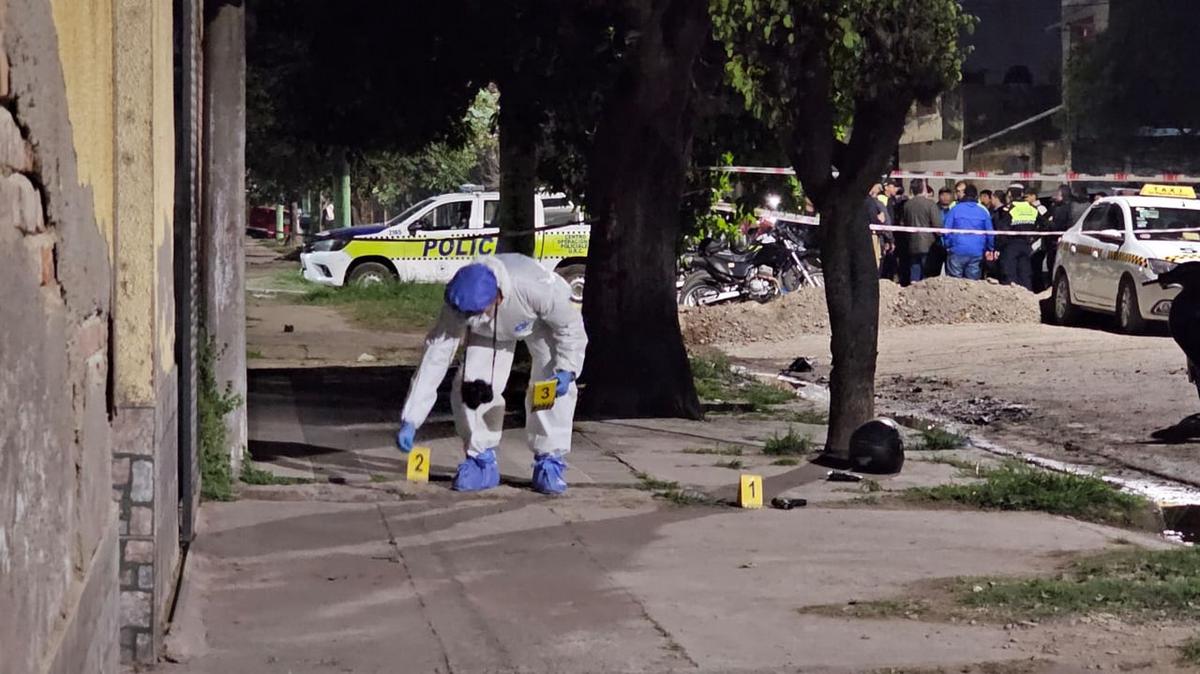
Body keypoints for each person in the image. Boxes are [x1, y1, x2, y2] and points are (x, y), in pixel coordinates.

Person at [395, 254, 587, 494]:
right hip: (489, 335)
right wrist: (411, 419)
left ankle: (550, 460)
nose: (471, 319)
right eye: (467, 315)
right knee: (470, 386)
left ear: (498, 296)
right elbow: (435, 356)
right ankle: (481, 459)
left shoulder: (536, 288)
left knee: (549, 385)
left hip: (539, 322)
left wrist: (567, 369)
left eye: (478, 312)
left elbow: (570, 328)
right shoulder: (460, 305)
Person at [994, 183, 1044, 291]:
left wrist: (998, 248)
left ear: (1010, 194)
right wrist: (1033, 239)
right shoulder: (1033, 208)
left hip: (1010, 246)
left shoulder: (1008, 209)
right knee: (1025, 276)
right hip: (1026, 246)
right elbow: (1045, 226)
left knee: (1009, 276)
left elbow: (1002, 230)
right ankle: (1026, 302)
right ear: (1022, 193)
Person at [941, 184, 994, 280]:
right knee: (972, 284)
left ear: (964, 194)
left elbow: (946, 230)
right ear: (976, 196)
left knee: (954, 283)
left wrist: (948, 245)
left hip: (957, 249)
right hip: (976, 251)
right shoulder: (982, 211)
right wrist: (989, 249)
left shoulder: (955, 209)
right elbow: (990, 233)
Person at [902, 179, 942, 284]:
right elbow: (937, 226)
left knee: (914, 271)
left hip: (912, 243)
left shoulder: (907, 205)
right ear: (924, 188)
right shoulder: (930, 204)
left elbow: (903, 223)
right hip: (928, 244)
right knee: (927, 274)